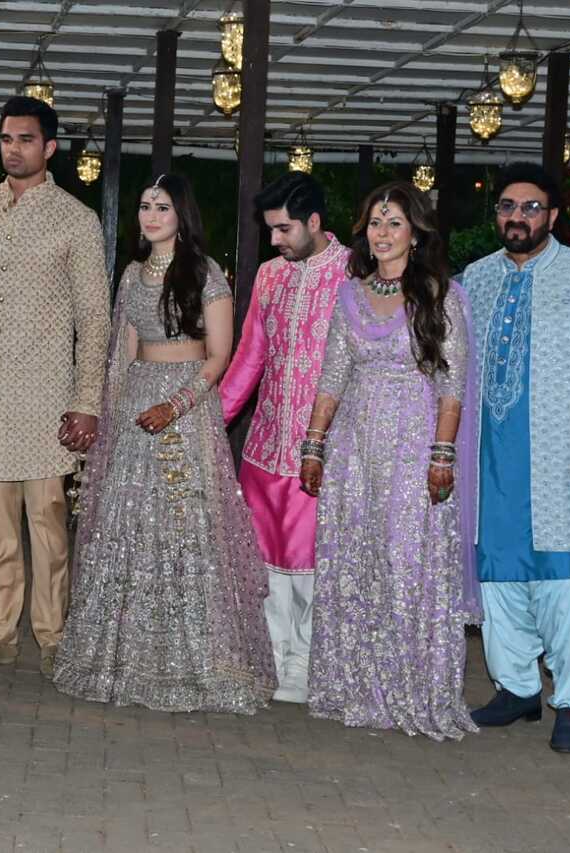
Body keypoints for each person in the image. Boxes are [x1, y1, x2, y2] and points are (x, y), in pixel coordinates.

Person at [52, 175, 275, 712]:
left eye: (163, 207)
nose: (151, 216)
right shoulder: (130, 275)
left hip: (186, 409)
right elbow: (121, 354)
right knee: (127, 522)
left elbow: (219, 355)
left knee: (185, 524)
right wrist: (111, 415)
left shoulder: (204, 273)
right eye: (145, 206)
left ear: (182, 215)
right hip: (136, 408)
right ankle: (122, 658)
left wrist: (175, 406)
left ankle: (198, 659)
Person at [463, 162, 570, 754]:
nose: (517, 217)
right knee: (498, 577)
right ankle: (515, 689)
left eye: (530, 207)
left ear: (553, 216)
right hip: (489, 464)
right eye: (507, 206)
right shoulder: (475, 280)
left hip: (566, 459)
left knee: (566, 584)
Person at [299, 181, 480, 741]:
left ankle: (410, 688)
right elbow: (332, 373)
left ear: (415, 232)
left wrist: (442, 453)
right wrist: (314, 443)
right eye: (375, 223)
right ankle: (354, 684)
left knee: (407, 561)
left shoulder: (438, 294)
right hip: (355, 441)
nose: (382, 233)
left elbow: (452, 382)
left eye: (394, 223)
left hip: (414, 438)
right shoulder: (349, 293)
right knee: (354, 556)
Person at [0, 96, 110, 678]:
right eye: (7, 139)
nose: (14, 149)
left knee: (49, 526)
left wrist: (87, 402)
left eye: (26, 140)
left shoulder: (76, 219)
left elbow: (94, 318)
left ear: (50, 147)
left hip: (47, 400)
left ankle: (53, 635)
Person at [217, 172, 350, 703]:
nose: (274, 239)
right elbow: (250, 357)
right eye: (270, 229)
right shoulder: (271, 277)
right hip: (265, 445)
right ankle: (272, 658)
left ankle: (308, 663)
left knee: (309, 563)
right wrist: (214, 423)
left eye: (283, 229)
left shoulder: (353, 275)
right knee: (265, 562)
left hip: (325, 450)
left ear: (315, 222)